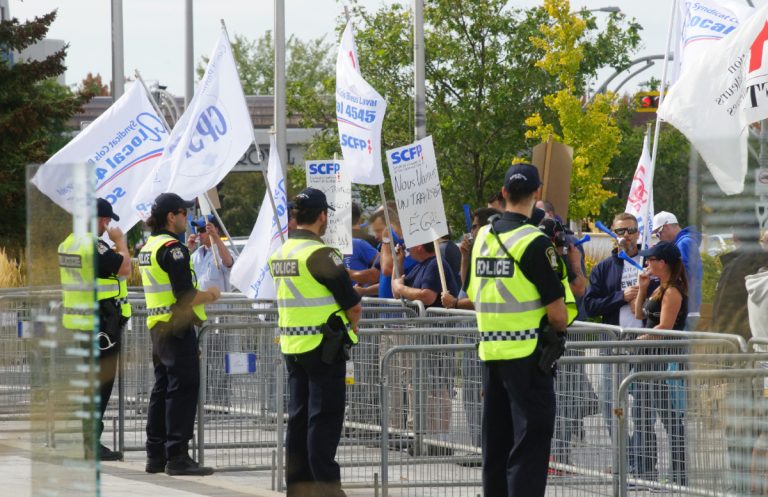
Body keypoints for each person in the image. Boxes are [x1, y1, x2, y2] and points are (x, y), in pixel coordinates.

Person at [468, 163, 576, 497]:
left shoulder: (483, 236)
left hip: (490, 353)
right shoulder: (534, 242)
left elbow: (471, 290)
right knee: (529, 448)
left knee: (496, 446)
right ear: (537, 193)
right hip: (528, 357)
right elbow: (558, 312)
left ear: (503, 193)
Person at [269, 187, 362, 497]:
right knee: (324, 420)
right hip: (324, 348)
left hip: (292, 346)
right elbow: (352, 304)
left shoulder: (281, 252)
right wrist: (353, 327)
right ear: (323, 216)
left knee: (299, 419)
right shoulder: (321, 254)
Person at [139, 193, 220, 476]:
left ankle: (156, 454)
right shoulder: (173, 248)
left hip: (158, 326)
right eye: (184, 213)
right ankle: (177, 456)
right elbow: (185, 295)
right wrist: (211, 295)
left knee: (162, 389)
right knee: (182, 390)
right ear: (171, 217)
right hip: (176, 326)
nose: (187, 217)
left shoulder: (149, 246)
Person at [58, 198, 131, 461]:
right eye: (106, 220)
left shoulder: (68, 243)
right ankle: (91, 443)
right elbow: (125, 268)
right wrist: (120, 242)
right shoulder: (92, 244)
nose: (107, 225)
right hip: (100, 323)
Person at [583, 212, 646, 439]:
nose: (626, 235)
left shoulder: (650, 263)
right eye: (621, 231)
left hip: (644, 341)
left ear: (638, 233)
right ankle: (623, 449)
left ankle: (641, 453)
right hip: (613, 342)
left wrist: (644, 300)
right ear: (613, 233)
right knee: (608, 398)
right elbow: (590, 306)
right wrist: (621, 296)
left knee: (644, 402)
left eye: (631, 230)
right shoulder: (603, 268)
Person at [632, 241, 688, 486]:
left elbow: (665, 327)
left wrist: (635, 340)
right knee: (642, 416)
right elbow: (639, 315)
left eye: (651, 259)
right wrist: (642, 288)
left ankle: (679, 474)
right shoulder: (659, 287)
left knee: (668, 418)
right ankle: (646, 471)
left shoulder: (672, 291)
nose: (647, 263)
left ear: (662, 263)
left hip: (660, 359)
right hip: (648, 359)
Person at [710, 220, 768, 340]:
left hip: (731, 340)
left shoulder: (732, 268)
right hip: (747, 341)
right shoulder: (761, 263)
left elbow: (722, 312)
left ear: (734, 236)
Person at [652, 211, 702, 328]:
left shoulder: (684, 243)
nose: (660, 239)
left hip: (688, 310)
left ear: (666, 226)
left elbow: (685, 275)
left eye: (658, 234)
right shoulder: (684, 242)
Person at [187, 215, 235, 292]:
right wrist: (188, 249)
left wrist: (215, 236)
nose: (199, 234)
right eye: (197, 230)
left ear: (216, 230)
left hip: (219, 300)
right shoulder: (194, 255)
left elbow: (228, 263)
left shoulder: (224, 253)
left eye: (202, 230)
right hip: (199, 299)